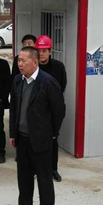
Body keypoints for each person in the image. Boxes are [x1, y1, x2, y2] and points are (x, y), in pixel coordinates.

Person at [8, 47, 65, 205]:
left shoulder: (48, 82)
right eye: (19, 61)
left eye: (23, 61)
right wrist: (13, 133)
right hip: (22, 138)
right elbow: (14, 108)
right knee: (23, 178)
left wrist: (52, 133)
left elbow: (59, 110)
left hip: (41, 139)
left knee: (44, 179)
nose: (20, 64)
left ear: (35, 62)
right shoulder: (18, 80)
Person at [36, 35, 67, 182]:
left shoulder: (58, 66)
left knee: (53, 140)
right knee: (35, 141)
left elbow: (62, 85)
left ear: (50, 51)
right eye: (39, 51)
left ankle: (53, 169)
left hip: (53, 109)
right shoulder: (33, 66)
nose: (41, 53)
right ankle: (37, 169)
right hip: (36, 110)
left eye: (44, 51)